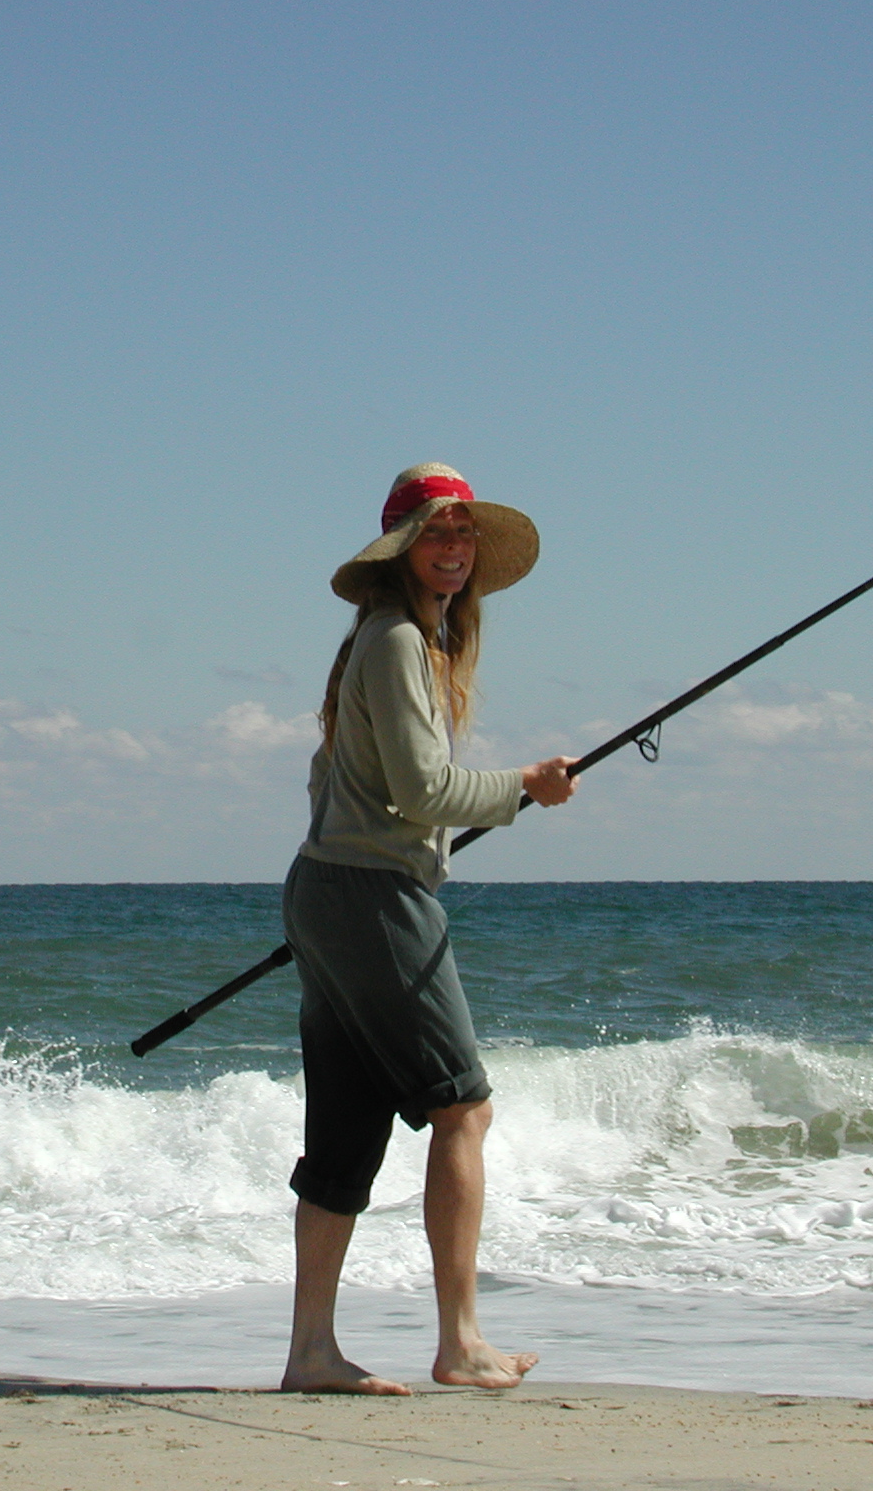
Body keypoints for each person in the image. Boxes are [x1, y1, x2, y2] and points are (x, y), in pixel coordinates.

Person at [280, 462, 578, 1395]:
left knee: (347, 1132)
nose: (453, 548)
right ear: (403, 548)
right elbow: (422, 791)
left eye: (463, 534)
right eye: (436, 532)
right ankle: (460, 1343)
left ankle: (311, 1354)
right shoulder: (400, 641)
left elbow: (338, 784)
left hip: (333, 892)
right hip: (370, 897)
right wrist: (524, 788)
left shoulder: (382, 639)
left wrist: (339, 899)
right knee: (463, 1107)